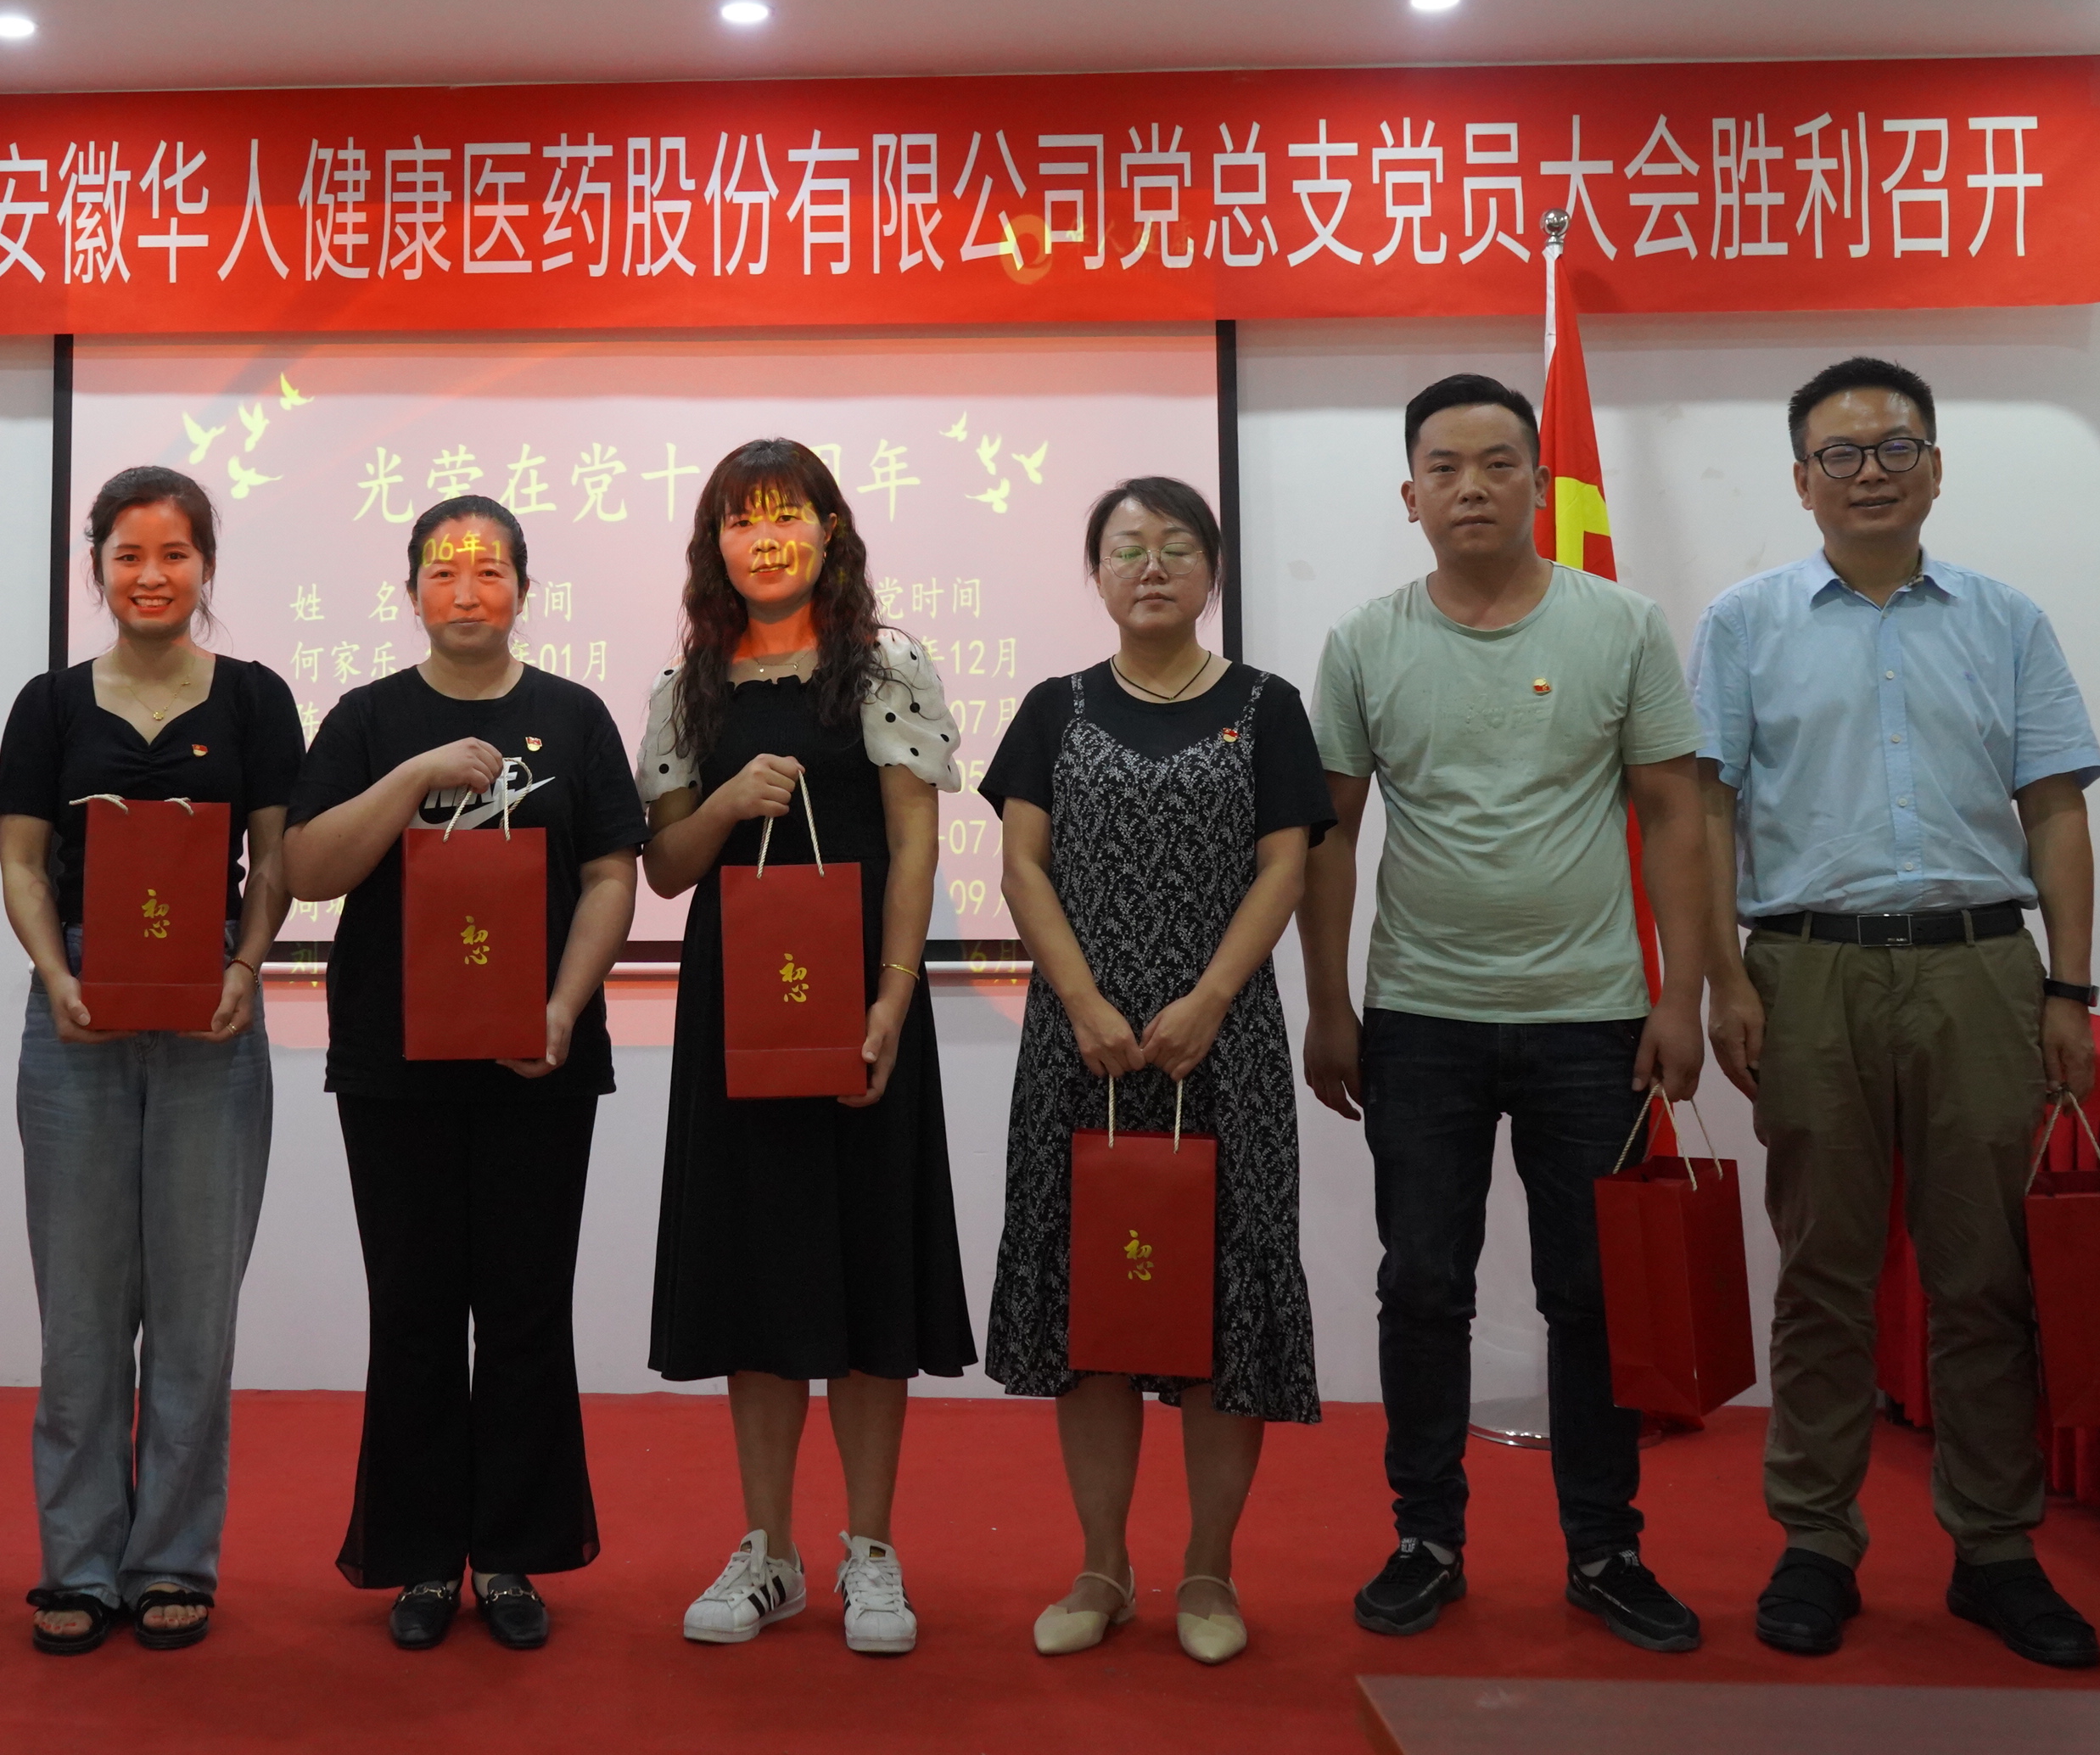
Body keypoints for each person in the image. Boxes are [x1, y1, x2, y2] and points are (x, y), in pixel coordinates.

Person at [1693, 357, 2100, 1670]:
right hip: (1806, 971)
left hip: (1979, 968)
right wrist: (1722, 979)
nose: (1868, 471)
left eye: (1894, 447)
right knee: (1823, 1271)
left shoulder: (2007, 620)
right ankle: (1817, 1540)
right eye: (1840, 452)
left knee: (1985, 1275)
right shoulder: (1745, 623)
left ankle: (1996, 1549)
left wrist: (2070, 987)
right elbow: (1703, 812)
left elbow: (2056, 809)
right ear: (1800, 479)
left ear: (1935, 467)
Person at [1296, 374, 1713, 1656]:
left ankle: (1605, 1547)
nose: (1470, 488)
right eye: (1445, 468)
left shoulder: (1621, 625)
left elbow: (1674, 813)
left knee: (1592, 1294)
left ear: (1539, 482)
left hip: (1594, 1020)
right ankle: (1426, 1537)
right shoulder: (1365, 642)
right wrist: (1329, 1003)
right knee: (1424, 1285)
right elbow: (1329, 837)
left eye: (1496, 464)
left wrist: (1681, 995)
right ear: (1409, 493)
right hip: (1420, 1018)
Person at [284, 496, 645, 1653]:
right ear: (412, 593)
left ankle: (513, 1554)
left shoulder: (574, 717)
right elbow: (308, 868)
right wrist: (415, 776)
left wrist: (563, 1005)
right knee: (416, 1312)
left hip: (540, 1057)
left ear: (525, 590)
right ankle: (422, 1558)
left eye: (491, 570)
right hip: (394, 1063)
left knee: (529, 1310)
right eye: (444, 570)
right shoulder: (367, 717)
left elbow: (611, 875)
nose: (468, 588)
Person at [635, 440, 976, 1657]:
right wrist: (728, 804)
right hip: (738, 1018)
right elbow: (665, 869)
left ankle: (869, 1550)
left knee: (870, 1267)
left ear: (831, 531)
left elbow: (914, 845)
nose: (766, 537)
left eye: (789, 514)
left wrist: (893, 999)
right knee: (758, 1273)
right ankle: (768, 1550)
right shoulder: (687, 690)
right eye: (742, 519)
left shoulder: (884, 667)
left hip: (864, 1010)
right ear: (714, 544)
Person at [983, 476, 1330, 1666]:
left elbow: (1286, 865)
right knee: (1094, 1304)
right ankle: (1101, 1565)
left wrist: (1210, 1000)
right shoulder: (1055, 707)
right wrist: (1084, 1002)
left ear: (1211, 572)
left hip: (1221, 1048)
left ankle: (1209, 1571)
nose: (1152, 567)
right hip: (1079, 1048)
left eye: (1177, 547)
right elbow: (1023, 866)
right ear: (1096, 573)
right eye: (1127, 548)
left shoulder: (1267, 706)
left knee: (1224, 1302)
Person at [0, 466, 302, 1656]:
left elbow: (273, 860)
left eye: (174, 554)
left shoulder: (256, 700)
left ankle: (172, 1557)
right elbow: (24, 864)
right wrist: (54, 975)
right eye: (128, 555)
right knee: (79, 1317)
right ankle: (77, 1565)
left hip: (210, 1010)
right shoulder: (50, 706)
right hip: (76, 1010)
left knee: (194, 1312)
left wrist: (247, 965)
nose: (152, 575)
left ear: (205, 565)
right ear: (97, 569)